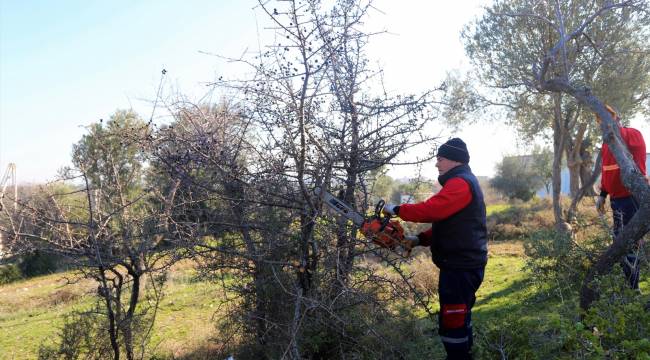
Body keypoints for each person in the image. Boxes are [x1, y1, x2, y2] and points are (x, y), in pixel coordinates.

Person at [383, 137, 488, 360]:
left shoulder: (460, 183)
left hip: (461, 267)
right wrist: (419, 239)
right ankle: (465, 353)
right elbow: (449, 224)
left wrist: (397, 209)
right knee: (459, 315)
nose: (437, 164)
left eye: (439, 159)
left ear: (453, 160)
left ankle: (458, 357)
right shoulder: (461, 181)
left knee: (453, 318)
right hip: (461, 265)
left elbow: (432, 211)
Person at [594, 104, 647, 289]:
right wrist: (602, 194)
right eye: (601, 121)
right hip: (616, 200)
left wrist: (616, 131)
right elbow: (607, 171)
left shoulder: (632, 134)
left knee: (629, 242)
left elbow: (634, 162)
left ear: (618, 118)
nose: (604, 124)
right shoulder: (607, 143)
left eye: (609, 118)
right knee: (622, 241)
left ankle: (634, 288)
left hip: (632, 198)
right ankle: (631, 285)